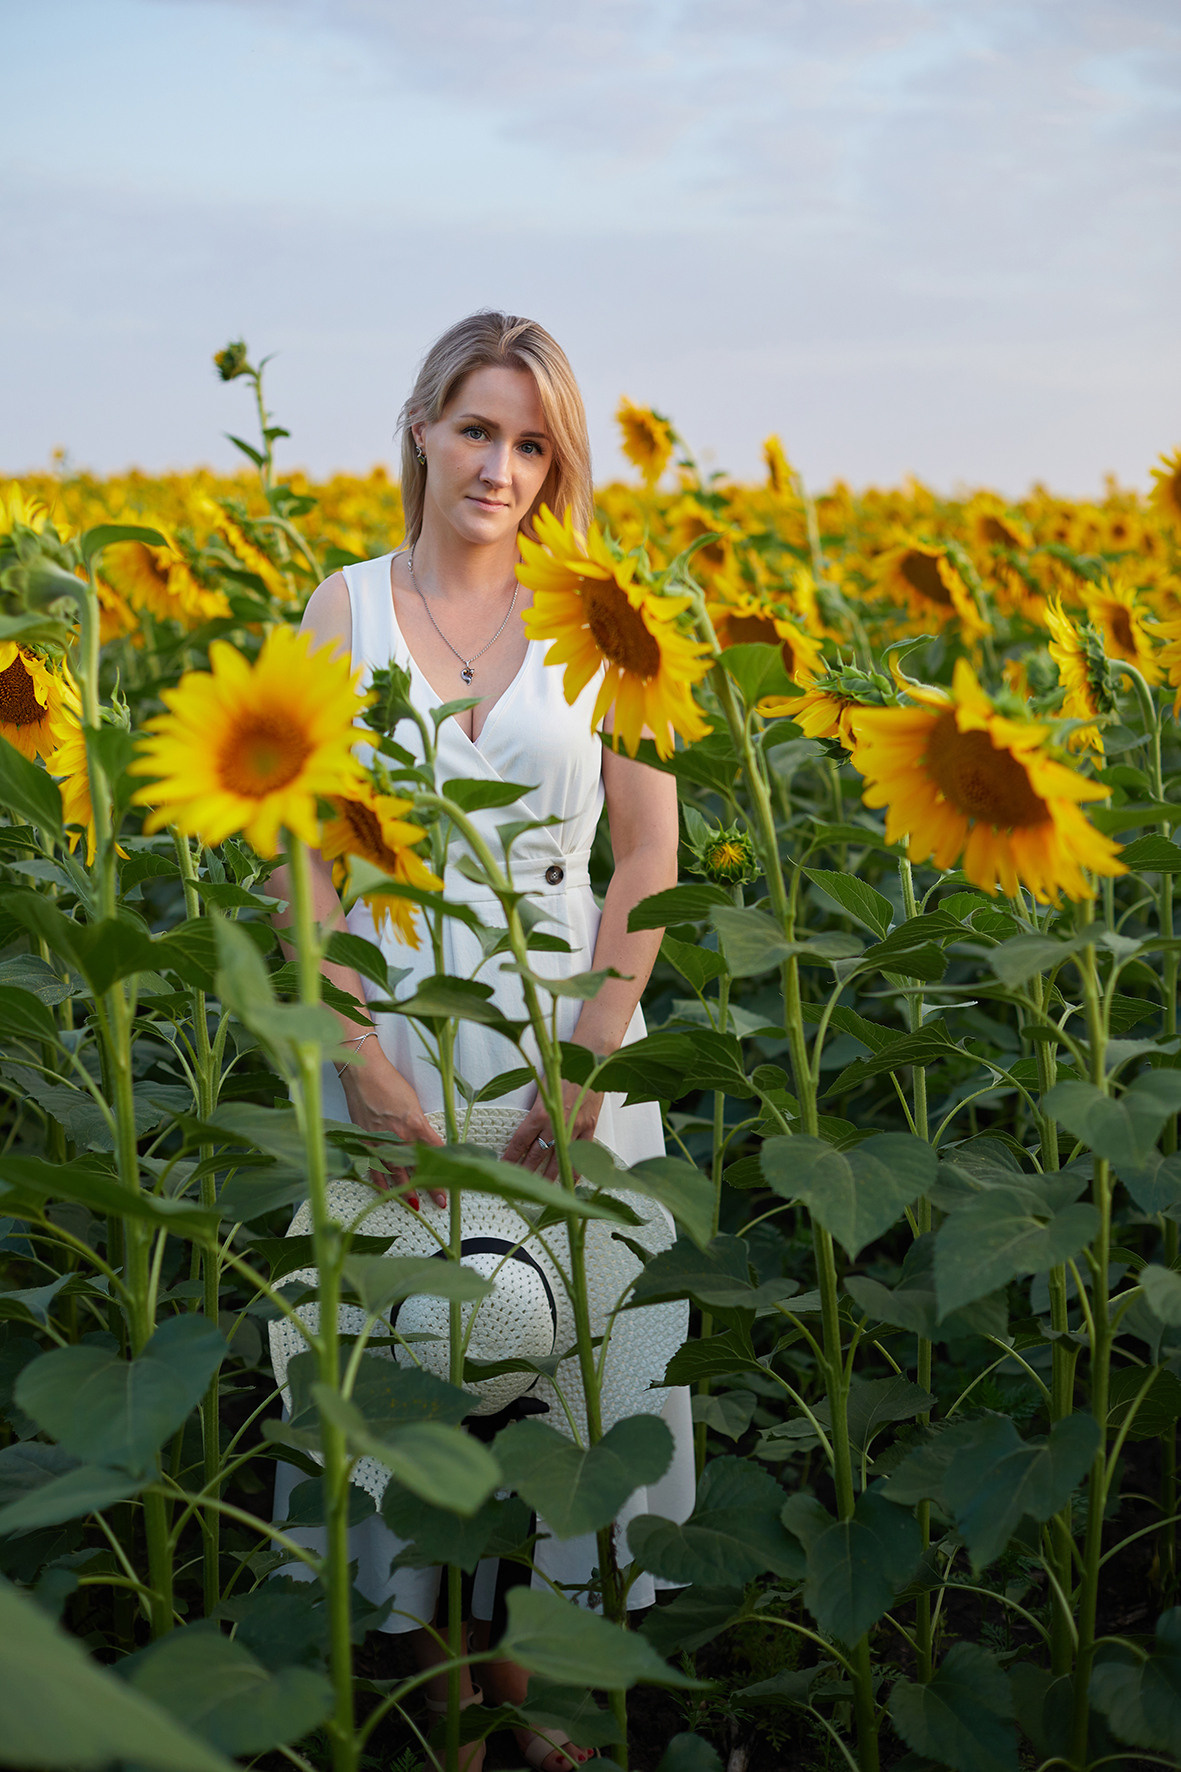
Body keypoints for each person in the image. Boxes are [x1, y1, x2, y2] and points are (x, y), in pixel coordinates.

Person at [269, 312, 694, 1772]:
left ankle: (550, 1711)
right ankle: (444, 1712)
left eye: (529, 443)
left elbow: (643, 859)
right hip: (393, 1040)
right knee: (418, 1369)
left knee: (569, 1384)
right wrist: (359, 1064)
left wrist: (589, 1062)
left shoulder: (606, 619)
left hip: (561, 1045)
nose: (499, 467)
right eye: (475, 430)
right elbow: (307, 859)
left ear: (556, 462)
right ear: (419, 429)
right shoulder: (347, 606)